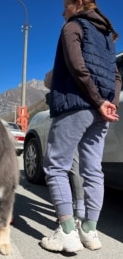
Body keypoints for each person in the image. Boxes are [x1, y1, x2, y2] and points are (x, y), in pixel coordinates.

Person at [40, 0, 121, 253]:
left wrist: (98, 101)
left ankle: (66, 232)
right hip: (101, 111)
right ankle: (89, 231)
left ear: (77, 3)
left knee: (56, 165)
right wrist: (108, 102)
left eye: (65, 6)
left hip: (76, 105)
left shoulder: (73, 27)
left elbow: (77, 66)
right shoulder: (107, 35)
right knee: (92, 170)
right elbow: (116, 76)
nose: (62, 12)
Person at [44, 71, 85, 221]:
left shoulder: (71, 50)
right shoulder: (104, 50)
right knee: (86, 166)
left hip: (70, 109)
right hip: (93, 111)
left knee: (59, 165)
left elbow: (48, 81)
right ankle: (82, 211)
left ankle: (68, 222)